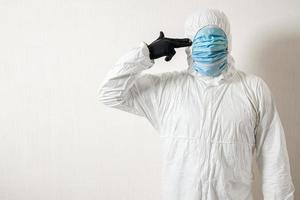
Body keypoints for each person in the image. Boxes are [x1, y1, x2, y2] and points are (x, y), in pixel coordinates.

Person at [97, 8, 295, 200]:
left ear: (228, 40)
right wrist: (146, 53)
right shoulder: (167, 89)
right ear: (190, 43)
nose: (209, 45)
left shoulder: (253, 89)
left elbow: (274, 161)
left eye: (216, 37)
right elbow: (110, 93)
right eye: (202, 39)